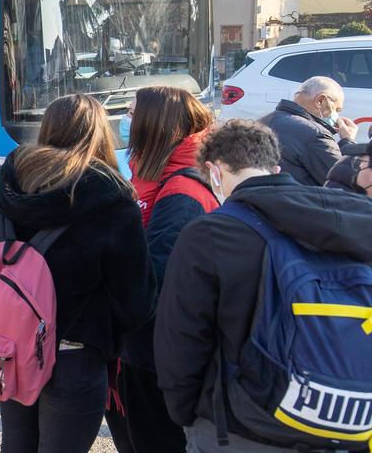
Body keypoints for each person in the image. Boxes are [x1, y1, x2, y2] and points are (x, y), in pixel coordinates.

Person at [156, 120, 372, 451]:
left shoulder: (211, 234)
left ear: (214, 171)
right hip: (347, 419)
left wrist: (188, 412)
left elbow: (181, 339)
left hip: (243, 424)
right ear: (275, 166)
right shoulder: (352, 217)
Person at [0, 93, 155, 453]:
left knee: (15, 447)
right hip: (75, 355)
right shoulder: (112, 198)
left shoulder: (8, 183)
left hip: (13, 347)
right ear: (99, 133)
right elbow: (135, 304)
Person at [114, 86, 218, 453]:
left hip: (155, 348)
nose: (126, 121)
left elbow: (157, 274)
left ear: (154, 124)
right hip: (143, 344)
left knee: (153, 439)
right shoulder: (157, 169)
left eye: (131, 113)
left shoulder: (183, 188)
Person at [258, 76, 358, 186]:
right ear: (320, 101)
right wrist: (348, 142)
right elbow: (347, 181)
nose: (337, 116)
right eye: (337, 109)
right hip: (298, 201)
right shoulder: (316, 134)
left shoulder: (262, 121)